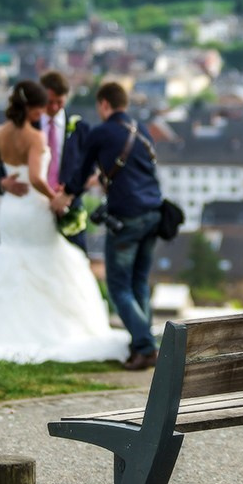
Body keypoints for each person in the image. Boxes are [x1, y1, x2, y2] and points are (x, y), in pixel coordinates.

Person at [0, 79, 129, 364]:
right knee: (51, 262)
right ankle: (51, 328)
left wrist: (8, 178)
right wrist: (54, 196)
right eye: (44, 104)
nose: (50, 109)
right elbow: (34, 177)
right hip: (35, 206)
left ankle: (9, 330)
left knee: (14, 261)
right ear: (33, 106)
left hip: (11, 211)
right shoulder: (34, 137)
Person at [59, 81, 165, 372]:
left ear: (104, 104)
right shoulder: (141, 130)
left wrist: (66, 194)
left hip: (126, 217)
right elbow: (136, 171)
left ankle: (145, 346)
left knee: (119, 287)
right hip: (153, 213)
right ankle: (141, 347)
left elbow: (80, 173)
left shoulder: (101, 132)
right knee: (139, 283)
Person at [0, 70, 91, 252]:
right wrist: (3, 183)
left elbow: (90, 169)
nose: (55, 107)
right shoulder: (24, 127)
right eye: (50, 102)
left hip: (68, 210)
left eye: (60, 102)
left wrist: (69, 194)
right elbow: (4, 166)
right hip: (31, 209)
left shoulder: (81, 129)